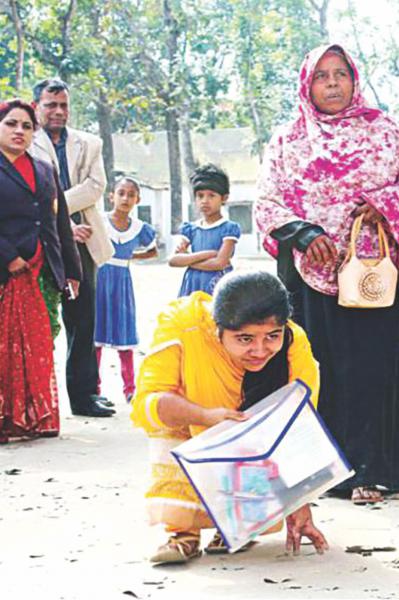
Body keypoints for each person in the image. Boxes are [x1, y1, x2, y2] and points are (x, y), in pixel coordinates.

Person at [255, 43, 399, 505]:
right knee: (322, 370)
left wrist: (383, 207)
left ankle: (374, 471)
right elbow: (267, 201)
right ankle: (326, 472)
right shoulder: (288, 139)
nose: (333, 83)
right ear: (307, 84)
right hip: (315, 276)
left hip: (379, 274)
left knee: (375, 370)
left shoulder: (386, 132)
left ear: (355, 80)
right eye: (322, 76)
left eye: (341, 74)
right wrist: (301, 232)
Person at [131, 270, 328, 564]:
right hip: (191, 423)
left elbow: (298, 424)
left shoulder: (292, 343)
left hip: (253, 438)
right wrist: (206, 416)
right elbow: (149, 402)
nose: (260, 350)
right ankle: (184, 532)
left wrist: (299, 503)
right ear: (217, 329)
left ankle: (238, 525)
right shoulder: (181, 325)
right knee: (167, 427)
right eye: (245, 338)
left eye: (271, 337)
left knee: (272, 428)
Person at [31, 78, 115, 418]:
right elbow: (28, 193)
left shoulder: (89, 143)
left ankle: (84, 396)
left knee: (82, 320)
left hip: (83, 242)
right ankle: (35, 398)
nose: (58, 111)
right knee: (40, 322)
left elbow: (95, 188)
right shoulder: (22, 138)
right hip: (40, 242)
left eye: (63, 105)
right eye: (51, 104)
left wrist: (59, 214)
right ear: (37, 106)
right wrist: (63, 222)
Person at [0, 99, 82, 442]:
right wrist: (6, 257)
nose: (20, 131)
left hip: (41, 270)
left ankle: (35, 417)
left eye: (27, 126)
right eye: (11, 124)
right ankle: (6, 417)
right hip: (7, 272)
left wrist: (71, 270)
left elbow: (58, 221)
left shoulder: (45, 168)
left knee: (40, 343)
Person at [95, 176, 157, 403]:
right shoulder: (99, 221)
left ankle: (130, 389)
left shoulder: (140, 228)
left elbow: (153, 251)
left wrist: (132, 255)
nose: (125, 198)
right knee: (96, 334)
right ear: (111, 196)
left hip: (122, 282)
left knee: (125, 333)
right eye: (121, 193)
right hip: (100, 278)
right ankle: (95, 388)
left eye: (131, 195)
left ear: (137, 200)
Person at [169, 163, 241, 296]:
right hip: (193, 284)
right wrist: (207, 254)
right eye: (200, 195)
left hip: (217, 284)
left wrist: (188, 259)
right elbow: (173, 260)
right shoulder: (190, 229)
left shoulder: (228, 229)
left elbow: (220, 263)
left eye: (211, 195)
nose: (205, 201)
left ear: (224, 198)